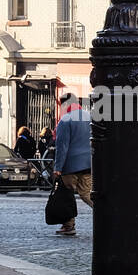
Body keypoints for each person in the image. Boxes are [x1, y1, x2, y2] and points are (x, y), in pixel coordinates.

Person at [51, 94, 92, 237]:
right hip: (88, 163)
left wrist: (58, 168)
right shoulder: (89, 117)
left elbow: (62, 146)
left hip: (70, 165)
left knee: (66, 195)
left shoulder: (66, 120)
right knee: (87, 194)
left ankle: (68, 225)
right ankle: (107, 214)